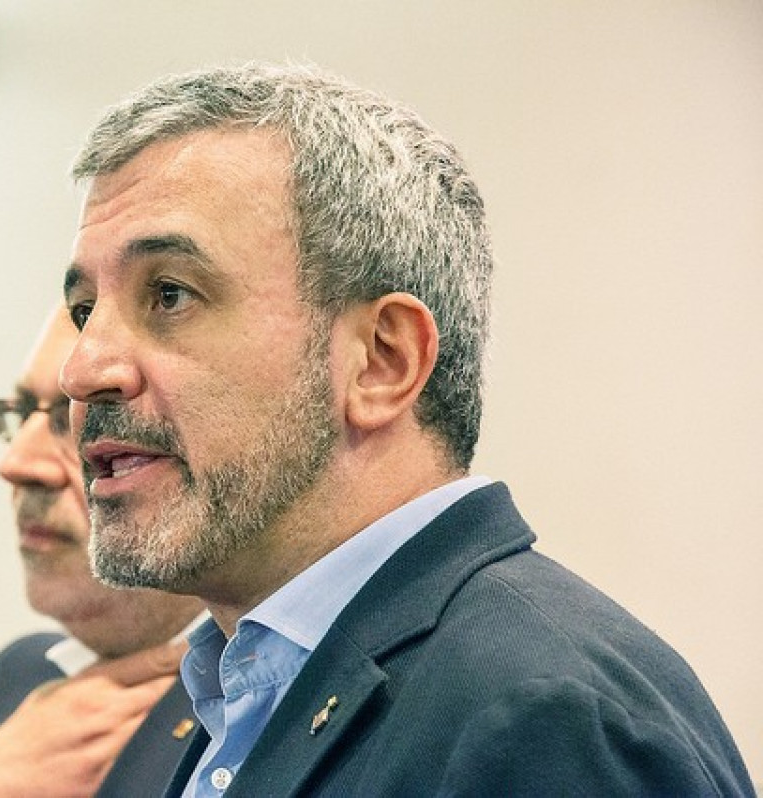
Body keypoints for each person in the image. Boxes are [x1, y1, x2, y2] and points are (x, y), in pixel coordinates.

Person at [58, 62, 755, 796]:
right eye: (85, 311)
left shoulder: (542, 720)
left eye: (170, 294)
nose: (82, 368)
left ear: (382, 362)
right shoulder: (242, 693)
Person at [0, 306, 205, 797]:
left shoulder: (267, 703)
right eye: (22, 413)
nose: (16, 463)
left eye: (76, 418)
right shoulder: (20, 676)